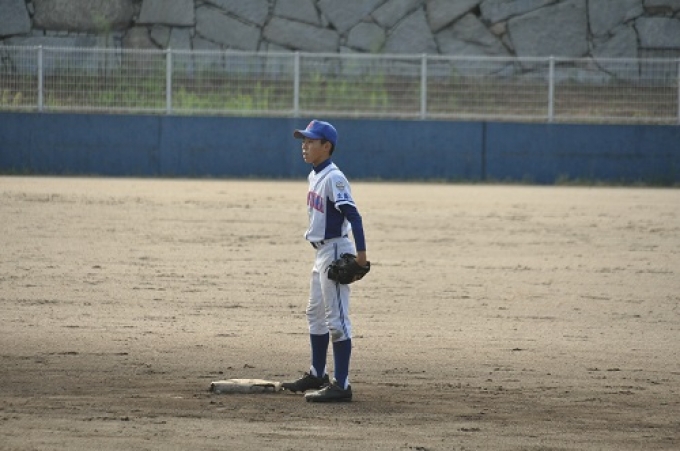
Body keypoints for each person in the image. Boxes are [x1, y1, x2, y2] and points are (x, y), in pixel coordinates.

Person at [281, 119, 369, 403]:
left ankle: (342, 385)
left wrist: (361, 257)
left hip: (335, 250)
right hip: (321, 252)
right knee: (314, 313)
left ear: (326, 146)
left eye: (310, 141)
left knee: (337, 320)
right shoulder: (314, 175)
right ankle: (317, 373)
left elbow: (354, 216)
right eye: (303, 141)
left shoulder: (334, 177)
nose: (304, 146)